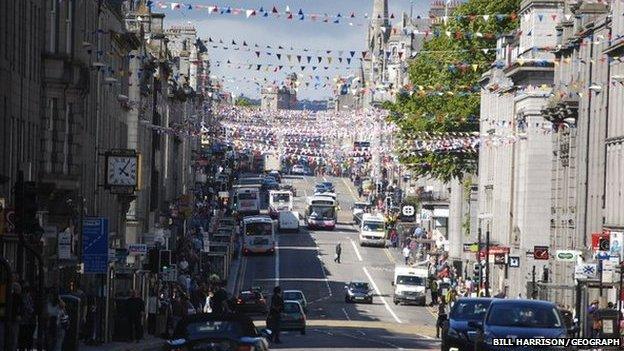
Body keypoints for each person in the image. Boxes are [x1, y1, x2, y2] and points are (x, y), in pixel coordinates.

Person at [18, 286, 36, 351]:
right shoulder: (27, 297)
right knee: (26, 337)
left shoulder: (25, 297)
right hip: (26, 320)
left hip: (25, 321)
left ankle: (23, 348)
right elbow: (29, 308)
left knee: (23, 338)